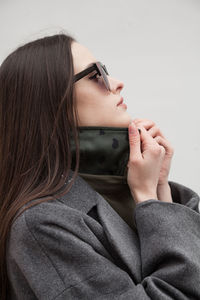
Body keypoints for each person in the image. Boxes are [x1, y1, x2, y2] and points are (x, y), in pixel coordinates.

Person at [0, 33, 200, 300]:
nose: (117, 83)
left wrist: (160, 191)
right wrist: (147, 198)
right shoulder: (41, 225)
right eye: (96, 75)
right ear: (53, 101)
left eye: (106, 71)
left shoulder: (128, 185)